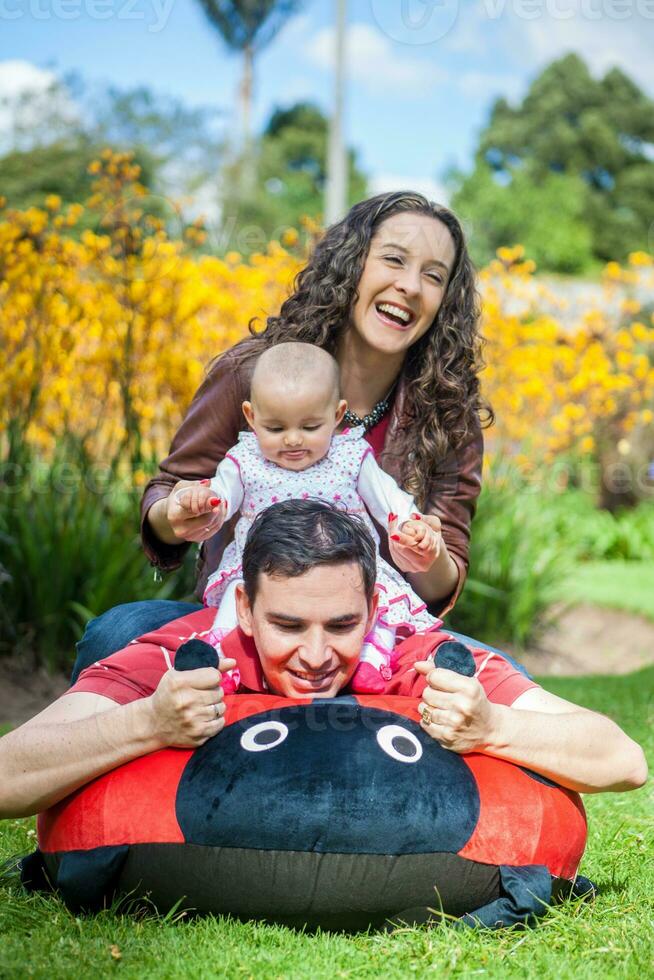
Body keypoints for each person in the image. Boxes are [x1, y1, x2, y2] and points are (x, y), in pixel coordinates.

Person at [0, 501, 647, 821]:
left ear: (372, 608)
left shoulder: (406, 654)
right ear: (245, 608)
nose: (314, 655)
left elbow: (624, 760)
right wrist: (145, 724)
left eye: (341, 625)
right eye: (287, 624)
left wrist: (494, 729)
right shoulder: (188, 652)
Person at [72, 191, 492, 679]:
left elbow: (443, 580)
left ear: (446, 302)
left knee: (494, 670)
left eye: (434, 276)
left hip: (374, 629)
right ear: (353, 263)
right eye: (393, 260)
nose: (410, 286)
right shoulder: (254, 372)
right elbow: (168, 494)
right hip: (245, 618)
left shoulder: (448, 413)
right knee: (112, 635)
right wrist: (181, 514)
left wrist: (427, 552)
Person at [179, 341, 443, 695]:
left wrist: (407, 524)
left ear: (337, 415)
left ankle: (373, 657)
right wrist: (203, 501)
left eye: (309, 426)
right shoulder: (245, 459)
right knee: (236, 598)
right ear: (251, 416)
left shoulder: (349, 456)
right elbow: (221, 496)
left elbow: (388, 497)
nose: (292, 440)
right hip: (265, 568)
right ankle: (219, 660)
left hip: (343, 568)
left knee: (374, 599)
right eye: (275, 428)